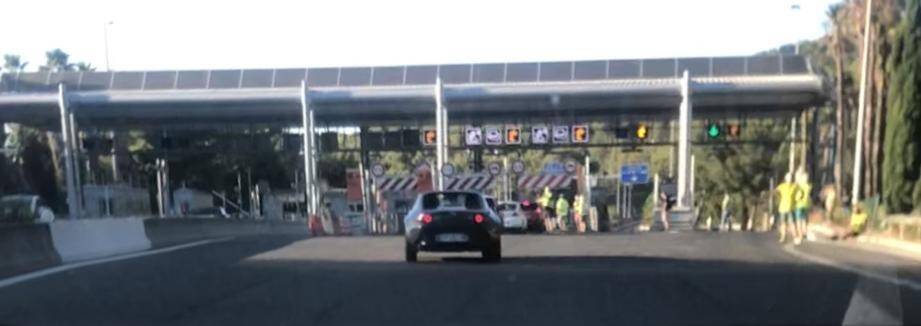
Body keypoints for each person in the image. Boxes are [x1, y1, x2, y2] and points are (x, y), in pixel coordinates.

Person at [776, 173, 800, 244]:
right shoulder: (782, 186)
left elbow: (799, 192)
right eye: (788, 178)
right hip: (783, 208)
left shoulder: (794, 186)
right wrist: (779, 197)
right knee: (784, 223)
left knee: (791, 223)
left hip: (790, 208)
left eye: (790, 178)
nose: (789, 180)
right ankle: (783, 237)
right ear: (786, 179)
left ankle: (795, 236)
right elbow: (776, 191)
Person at [793, 170, 811, 243]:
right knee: (804, 220)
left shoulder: (799, 186)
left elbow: (798, 195)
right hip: (806, 205)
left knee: (798, 221)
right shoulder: (808, 186)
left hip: (799, 205)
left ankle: (799, 236)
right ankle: (804, 233)